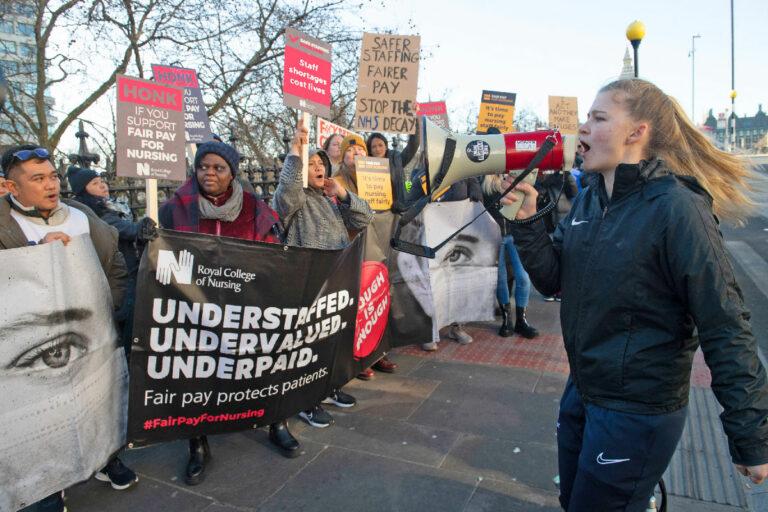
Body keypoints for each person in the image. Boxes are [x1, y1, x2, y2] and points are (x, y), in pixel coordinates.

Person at [507, 78, 768, 511]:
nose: (583, 127)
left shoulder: (676, 207)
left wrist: (752, 433)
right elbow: (554, 281)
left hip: (636, 410)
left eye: (599, 117)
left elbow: (725, 322)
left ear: (636, 132)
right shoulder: (592, 199)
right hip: (585, 391)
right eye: (587, 116)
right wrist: (528, 221)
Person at [0, 145, 135, 512]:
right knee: (43, 417)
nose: (50, 185)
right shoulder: (4, 224)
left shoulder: (81, 215)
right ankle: (45, 487)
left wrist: (109, 307)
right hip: (33, 349)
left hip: (91, 335)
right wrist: (35, 253)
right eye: (38, 179)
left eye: (53, 176)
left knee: (98, 400)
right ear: (11, 188)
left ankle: (106, 459)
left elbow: (115, 265)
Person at [158, 140, 300, 484]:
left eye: (218, 168)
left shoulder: (255, 208)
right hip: (195, 310)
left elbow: (271, 256)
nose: (210, 173)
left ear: (232, 173)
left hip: (246, 307)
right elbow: (162, 253)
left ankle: (275, 422)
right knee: (194, 375)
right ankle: (198, 444)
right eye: (203, 167)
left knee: (262, 364)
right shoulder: (175, 208)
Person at [272, 122, 373, 428]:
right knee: (306, 344)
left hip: (336, 281)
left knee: (330, 341)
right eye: (311, 164)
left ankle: (327, 388)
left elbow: (365, 217)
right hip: (307, 282)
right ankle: (306, 400)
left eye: (321, 164)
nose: (317, 168)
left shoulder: (331, 199)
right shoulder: (297, 200)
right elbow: (285, 195)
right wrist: (295, 154)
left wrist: (343, 194)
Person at [67, 166, 156, 353]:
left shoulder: (112, 207)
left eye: (102, 181)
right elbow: (121, 229)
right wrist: (141, 228)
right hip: (117, 277)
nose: (103, 186)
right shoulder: (93, 213)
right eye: (95, 183)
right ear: (83, 190)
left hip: (129, 271)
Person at [482, 174, 538, 339]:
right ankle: (507, 320)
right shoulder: (485, 182)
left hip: (514, 234)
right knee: (501, 278)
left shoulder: (513, 177)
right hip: (493, 235)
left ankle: (522, 320)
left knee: (523, 277)